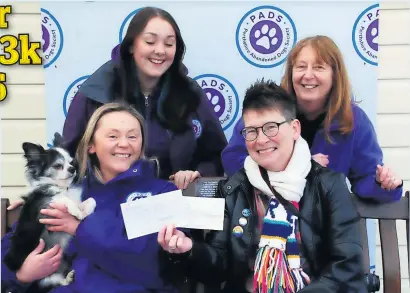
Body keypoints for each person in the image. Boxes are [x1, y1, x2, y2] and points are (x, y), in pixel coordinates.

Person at [158, 80, 366, 293]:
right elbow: (219, 264)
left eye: (270, 128)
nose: (261, 139)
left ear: (294, 129)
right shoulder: (236, 188)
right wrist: (189, 249)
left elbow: (346, 265)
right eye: (251, 131)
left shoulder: (329, 185)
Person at [2, 102, 183, 293]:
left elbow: (154, 267)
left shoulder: (161, 192)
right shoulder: (67, 193)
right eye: (113, 136)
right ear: (91, 146)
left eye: (133, 136)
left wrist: (80, 228)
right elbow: (15, 244)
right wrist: (20, 275)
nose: (124, 143)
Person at [221, 35, 402, 202]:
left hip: (323, 224)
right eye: (301, 67)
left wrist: (383, 184)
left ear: (335, 75)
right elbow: (232, 159)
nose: (308, 75)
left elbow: (365, 179)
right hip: (266, 216)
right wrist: (299, 166)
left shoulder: (353, 120)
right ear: (291, 74)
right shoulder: (270, 108)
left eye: (318, 67)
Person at [63, 6, 227, 189]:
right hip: (107, 203)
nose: (160, 51)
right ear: (132, 45)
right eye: (150, 42)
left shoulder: (191, 93)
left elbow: (217, 155)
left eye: (169, 44)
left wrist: (197, 175)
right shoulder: (95, 93)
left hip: (176, 202)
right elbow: (68, 160)